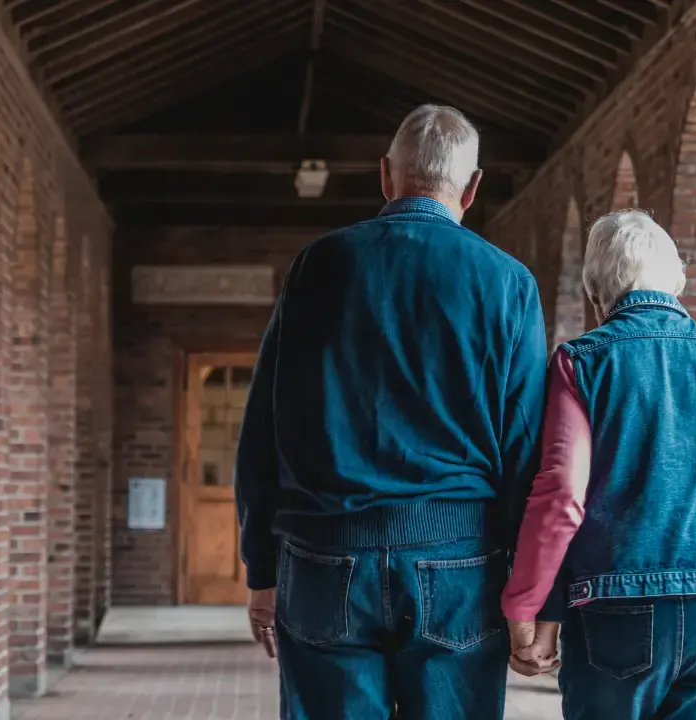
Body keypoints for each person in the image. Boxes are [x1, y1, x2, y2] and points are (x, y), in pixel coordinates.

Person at [234, 104, 560, 720]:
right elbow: (526, 451)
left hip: (323, 555)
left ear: (385, 175)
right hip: (458, 563)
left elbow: (264, 429)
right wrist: (528, 594)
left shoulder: (318, 266)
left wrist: (261, 568)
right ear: (472, 188)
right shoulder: (507, 283)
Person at [501, 209, 696, 718]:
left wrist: (527, 604)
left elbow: (561, 496)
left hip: (620, 604)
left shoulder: (582, 361)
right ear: (678, 282)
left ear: (597, 293)